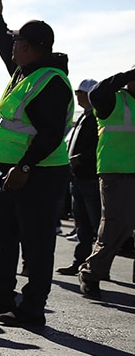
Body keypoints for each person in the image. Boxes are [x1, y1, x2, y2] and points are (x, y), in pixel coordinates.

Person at [0, 0, 73, 328]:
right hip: (9, 173)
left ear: (31, 46)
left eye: (18, 42)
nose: (11, 46)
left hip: (37, 174)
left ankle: (32, 309)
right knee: (4, 236)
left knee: (37, 243)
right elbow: (4, 46)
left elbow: (51, 133)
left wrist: (25, 167)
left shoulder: (51, 82)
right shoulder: (25, 72)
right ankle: (1, 297)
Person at [77, 66, 135, 298]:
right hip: (116, 172)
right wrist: (129, 74)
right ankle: (91, 272)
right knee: (115, 227)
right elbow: (96, 92)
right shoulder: (113, 101)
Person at [56, 79, 99, 276]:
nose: (77, 96)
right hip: (78, 178)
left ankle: (97, 266)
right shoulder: (84, 117)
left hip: (89, 177)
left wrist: (80, 159)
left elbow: (98, 147)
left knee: (96, 225)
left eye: (80, 92)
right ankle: (80, 262)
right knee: (82, 224)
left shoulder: (96, 118)